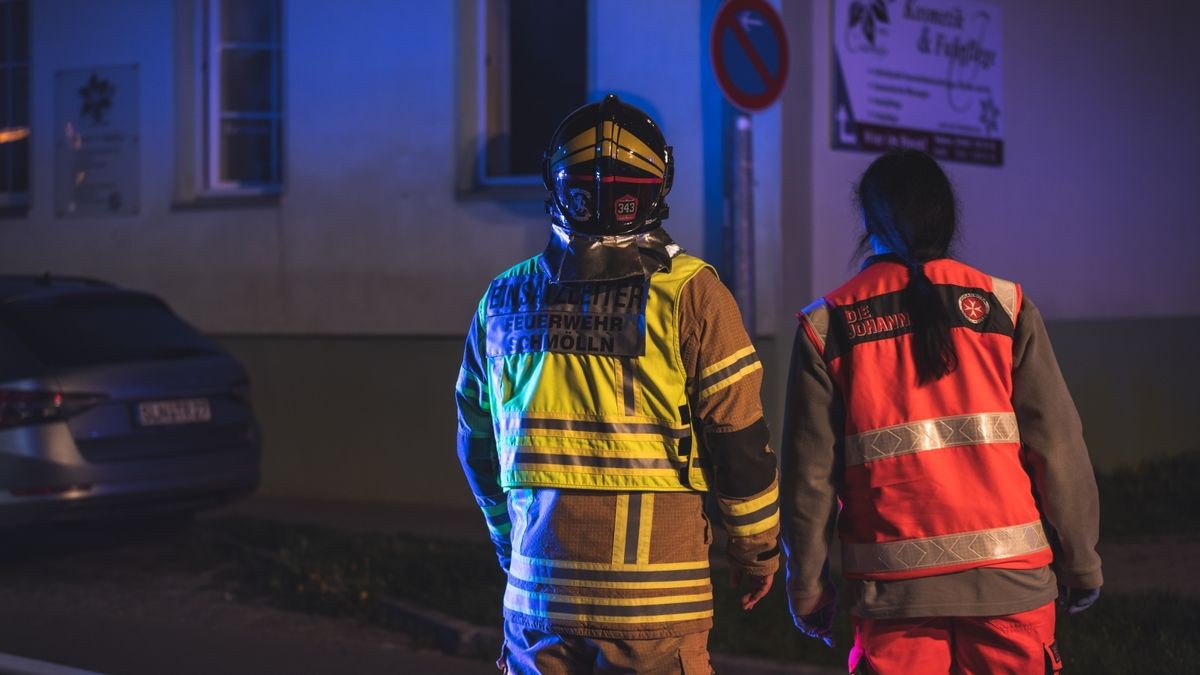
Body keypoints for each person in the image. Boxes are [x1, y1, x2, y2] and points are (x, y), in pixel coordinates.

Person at [455, 94, 780, 675]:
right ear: (657, 188)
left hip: (538, 602)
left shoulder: (503, 300)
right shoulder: (691, 295)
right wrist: (756, 551)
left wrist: (510, 542)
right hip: (655, 612)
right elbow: (738, 442)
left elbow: (477, 445)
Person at [780, 149, 1102, 674]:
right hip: (1012, 585)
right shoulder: (1004, 306)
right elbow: (1058, 445)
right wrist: (1080, 560)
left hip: (894, 596)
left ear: (868, 222)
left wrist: (808, 586)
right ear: (946, 219)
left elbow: (809, 477)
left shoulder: (828, 325)